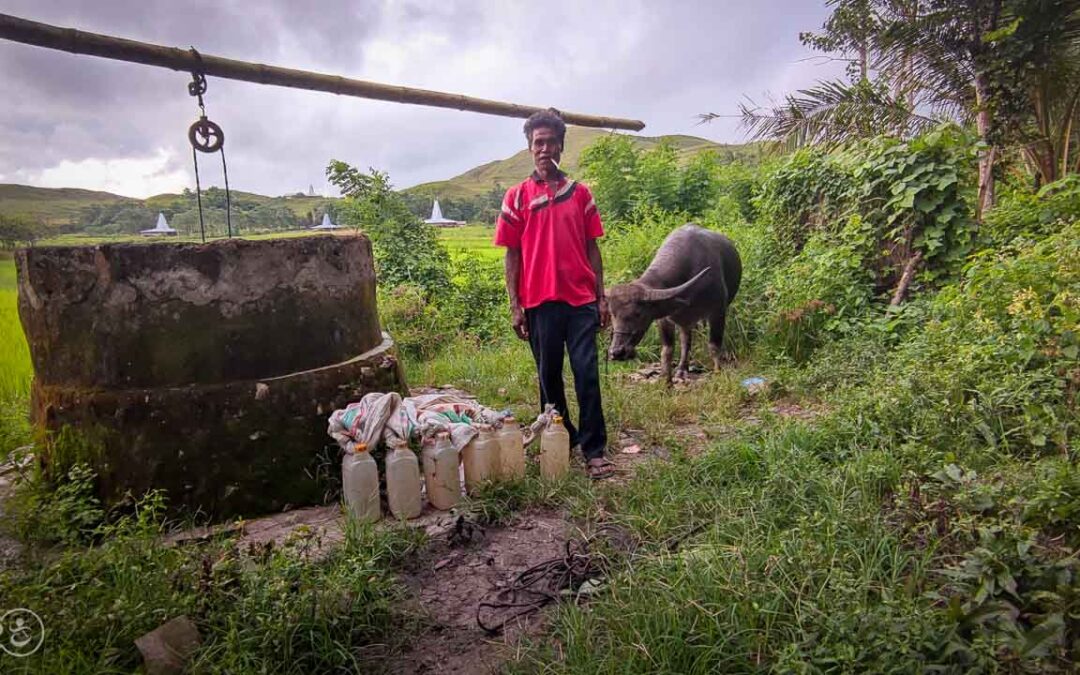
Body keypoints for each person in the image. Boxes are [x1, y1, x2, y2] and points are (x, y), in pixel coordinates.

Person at [493, 108, 614, 480]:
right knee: (549, 378)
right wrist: (515, 305)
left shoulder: (580, 195)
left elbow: (593, 248)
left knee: (586, 374)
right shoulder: (516, 197)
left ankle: (594, 449)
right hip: (539, 303)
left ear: (561, 146)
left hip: (579, 301)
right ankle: (563, 439)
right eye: (537, 143)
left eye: (550, 142)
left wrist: (601, 296)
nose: (544, 149)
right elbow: (512, 255)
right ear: (530, 148)